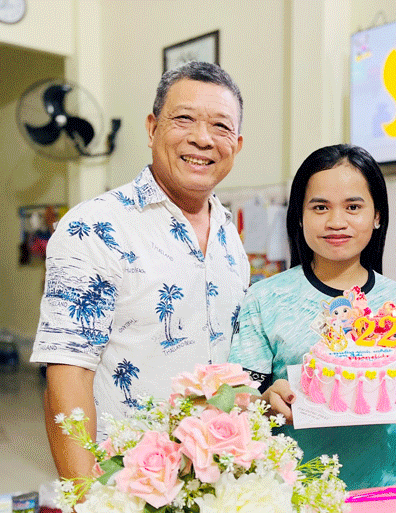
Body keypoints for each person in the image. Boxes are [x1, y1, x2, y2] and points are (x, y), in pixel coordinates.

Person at [30, 62, 250, 480]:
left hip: (220, 483)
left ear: (236, 145)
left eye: (220, 126)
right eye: (184, 119)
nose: (202, 139)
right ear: (152, 128)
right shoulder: (93, 227)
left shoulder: (228, 234)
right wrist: (87, 500)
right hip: (127, 485)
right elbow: (67, 375)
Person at [228, 144, 396, 491]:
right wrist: (268, 401)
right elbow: (237, 400)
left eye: (353, 207)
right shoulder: (266, 298)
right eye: (320, 207)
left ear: (377, 216)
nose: (336, 222)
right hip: (291, 489)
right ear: (299, 215)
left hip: (384, 485)